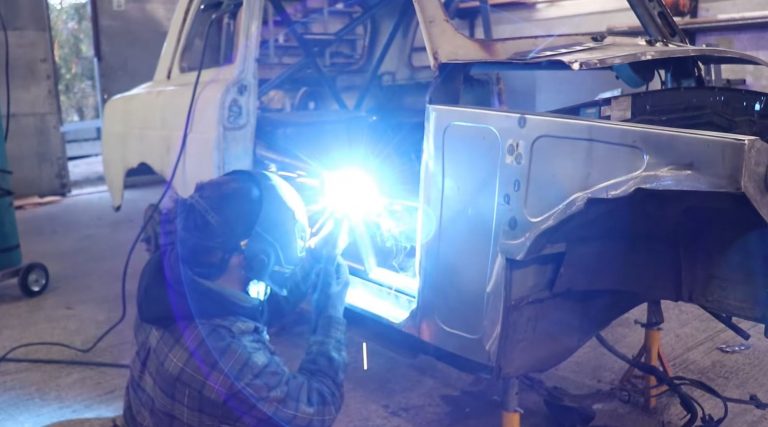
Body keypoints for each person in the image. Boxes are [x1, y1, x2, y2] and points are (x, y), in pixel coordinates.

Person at [123, 170, 350, 427]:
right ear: (251, 259)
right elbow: (315, 409)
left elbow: (258, 310)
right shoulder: (229, 353)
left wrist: (315, 258)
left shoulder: (168, 276)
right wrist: (330, 315)